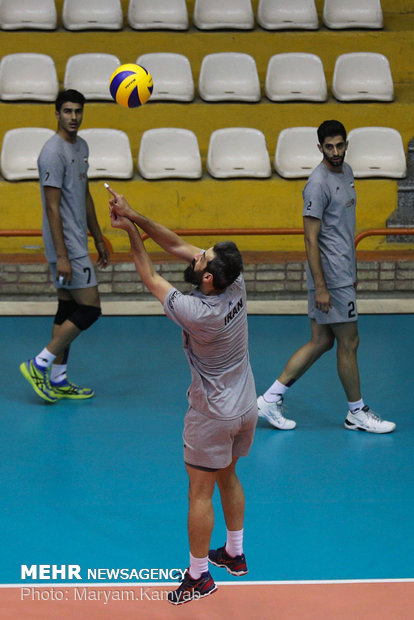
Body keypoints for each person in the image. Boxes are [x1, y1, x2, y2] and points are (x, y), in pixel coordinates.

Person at [107, 186, 258, 605]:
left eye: (201, 258)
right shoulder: (235, 280)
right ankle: (235, 550)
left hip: (213, 413)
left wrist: (128, 233)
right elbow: (173, 243)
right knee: (228, 474)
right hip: (246, 404)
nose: (195, 256)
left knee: (198, 492)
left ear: (207, 278)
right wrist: (133, 214)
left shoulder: (197, 312)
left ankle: (198, 577)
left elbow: (150, 276)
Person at [257, 120, 396, 434]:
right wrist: (321, 285)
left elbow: (342, 228)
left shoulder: (346, 173)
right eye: (329, 147)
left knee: (321, 341)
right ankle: (356, 413)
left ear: (346, 144)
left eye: (340, 145)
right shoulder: (317, 183)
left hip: (342, 272)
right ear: (319, 148)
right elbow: (310, 238)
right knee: (350, 341)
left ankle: (270, 398)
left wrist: (352, 270)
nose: (335, 152)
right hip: (330, 276)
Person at [20, 89, 110, 404]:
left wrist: (98, 236)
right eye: (68, 111)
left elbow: (83, 194)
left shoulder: (81, 146)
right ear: (56, 114)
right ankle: (39, 364)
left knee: (68, 308)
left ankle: (58, 379)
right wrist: (62, 256)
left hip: (77, 240)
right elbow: (52, 207)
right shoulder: (52, 152)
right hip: (66, 245)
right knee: (90, 309)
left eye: (78, 111)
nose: (73, 117)